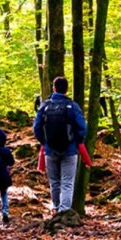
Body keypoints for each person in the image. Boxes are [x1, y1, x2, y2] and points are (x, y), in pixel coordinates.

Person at [33, 76, 87, 214]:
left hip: (50, 151)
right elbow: (82, 128)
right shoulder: (73, 106)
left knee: (55, 182)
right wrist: (77, 141)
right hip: (70, 150)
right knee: (67, 182)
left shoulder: (45, 106)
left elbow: (36, 128)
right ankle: (64, 212)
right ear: (67, 89)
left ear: (54, 88)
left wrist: (44, 142)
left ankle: (57, 209)